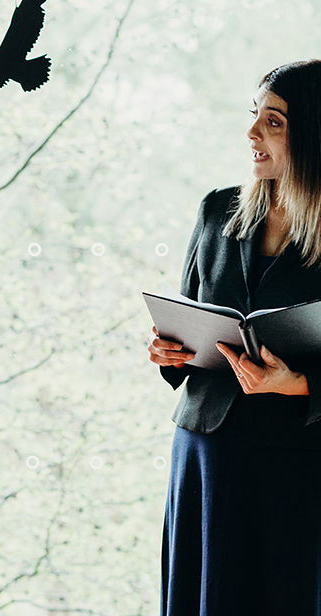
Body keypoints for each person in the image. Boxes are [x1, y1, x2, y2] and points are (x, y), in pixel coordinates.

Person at [148, 60, 321, 614]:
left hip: (295, 462)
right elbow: (188, 314)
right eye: (254, 117)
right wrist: (167, 352)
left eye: (273, 122)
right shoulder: (216, 209)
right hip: (205, 449)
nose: (252, 134)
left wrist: (297, 384)